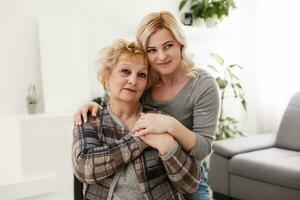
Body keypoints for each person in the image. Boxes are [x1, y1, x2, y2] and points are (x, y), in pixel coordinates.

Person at [74, 11, 219, 200]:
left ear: (181, 44)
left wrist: (169, 127)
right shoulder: (146, 80)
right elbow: (116, 97)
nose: (161, 56)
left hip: (186, 166)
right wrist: (91, 106)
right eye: (151, 50)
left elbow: (202, 150)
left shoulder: (203, 85)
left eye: (168, 46)